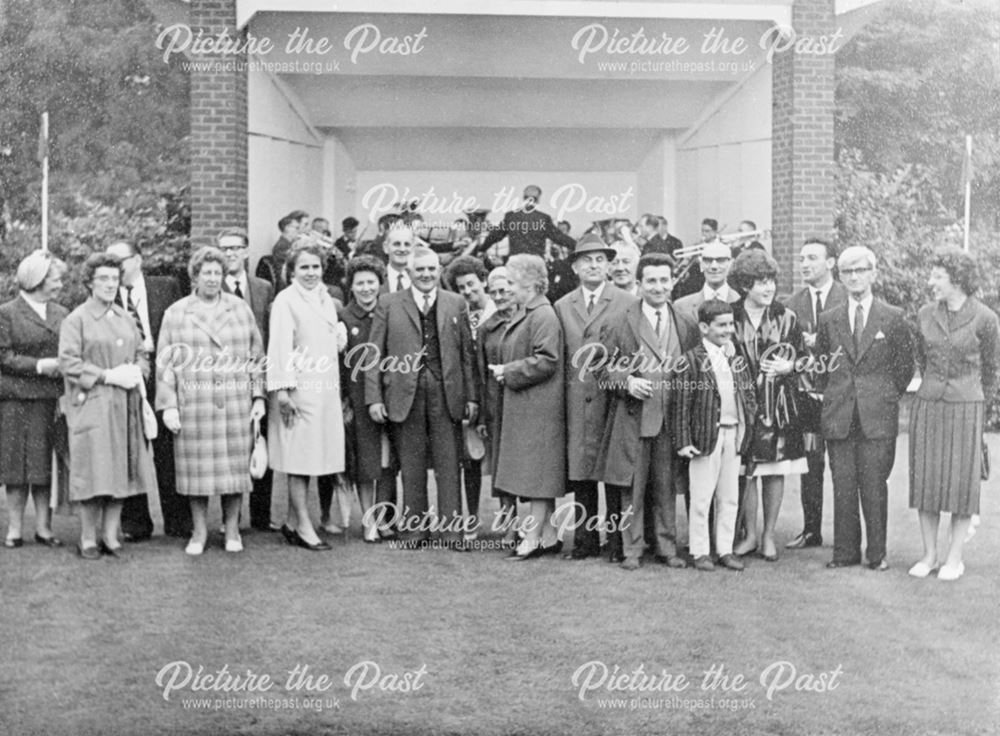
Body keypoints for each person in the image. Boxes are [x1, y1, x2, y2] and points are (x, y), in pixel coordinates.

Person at [366, 246, 478, 548]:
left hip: (446, 393)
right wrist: (374, 398)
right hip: (404, 394)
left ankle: (451, 532)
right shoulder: (388, 303)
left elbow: (467, 355)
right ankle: (414, 530)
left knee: (449, 465)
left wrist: (472, 396)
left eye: (431, 269)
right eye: (420, 270)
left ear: (439, 271)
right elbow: (374, 355)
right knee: (411, 466)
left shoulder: (456, 303)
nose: (426, 274)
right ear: (410, 273)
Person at [156, 247, 266, 555]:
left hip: (234, 402)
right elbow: (165, 362)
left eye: (218, 273)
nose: (213, 279)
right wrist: (169, 405)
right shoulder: (176, 312)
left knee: (234, 472)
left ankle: (232, 530)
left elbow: (256, 356)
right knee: (197, 474)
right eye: (207, 273)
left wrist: (259, 396)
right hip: (196, 404)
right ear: (195, 276)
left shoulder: (240, 309)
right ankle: (199, 532)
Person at [596, 252, 698, 570]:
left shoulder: (686, 323)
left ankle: (667, 548)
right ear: (639, 284)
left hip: (671, 420)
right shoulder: (618, 320)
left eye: (664, 280)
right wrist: (626, 382)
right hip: (633, 419)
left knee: (666, 487)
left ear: (673, 282)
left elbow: (694, 369)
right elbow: (600, 367)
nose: (658, 287)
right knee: (632, 487)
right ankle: (633, 549)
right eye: (651, 280)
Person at [816, 245, 915, 571]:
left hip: (877, 416)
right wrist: (835, 396)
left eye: (861, 270)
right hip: (839, 415)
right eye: (848, 272)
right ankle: (844, 553)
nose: (855, 277)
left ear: (874, 273)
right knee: (842, 485)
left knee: (874, 485)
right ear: (840, 277)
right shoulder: (829, 319)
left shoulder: (894, 316)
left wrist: (883, 396)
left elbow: (904, 367)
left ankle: (877, 554)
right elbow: (820, 365)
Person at [908, 248, 999, 581]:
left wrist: (978, 406)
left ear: (957, 280)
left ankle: (954, 558)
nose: (930, 282)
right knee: (927, 483)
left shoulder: (985, 318)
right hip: (929, 405)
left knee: (961, 486)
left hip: (966, 408)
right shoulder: (924, 314)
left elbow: (991, 369)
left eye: (937, 276)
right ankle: (930, 555)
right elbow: (922, 357)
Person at [59, 253, 157, 559]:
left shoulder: (125, 316)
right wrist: (106, 375)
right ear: (90, 282)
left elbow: (143, 352)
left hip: (125, 406)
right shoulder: (77, 319)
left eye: (114, 279)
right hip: (93, 404)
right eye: (103, 278)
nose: (110, 284)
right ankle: (88, 537)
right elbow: (68, 362)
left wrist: (138, 370)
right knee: (93, 473)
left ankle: (111, 535)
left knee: (122, 471)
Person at [553, 235, 634, 560]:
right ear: (575, 266)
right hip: (576, 402)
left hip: (613, 400)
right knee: (582, 474)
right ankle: (584, 541)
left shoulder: (626, 301)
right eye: (586, 260)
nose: (594, 265)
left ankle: (615, 544)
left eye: (600, 259)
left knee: (613, 474)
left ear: (609, 265)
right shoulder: (562, 305)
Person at [728, 249, 808, 562]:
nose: (769, 287)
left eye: (771, 280)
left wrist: (790, 368)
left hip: (779, 407)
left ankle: (768, 536)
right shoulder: (730, 314)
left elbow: (804, 358)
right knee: (746, 471)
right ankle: (748, 535)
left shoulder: (786, 317)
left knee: (774, 469)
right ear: (745, 285)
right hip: (741, 405)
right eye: (761, 282)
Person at [267, 243, 348, 551]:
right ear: (292, 270)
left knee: (313, 455)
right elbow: (279, 347)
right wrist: (284, 391)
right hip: (298, 390)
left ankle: (290, 521)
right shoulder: (285, 300)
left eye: (315, 266)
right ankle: (303, 526)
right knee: (299, 459)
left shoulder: (327, 298)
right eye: (304, 267)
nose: (311, 273)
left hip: (325, 389)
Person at [106, 241, 184, 541]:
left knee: (168, 449)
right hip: (128, 377)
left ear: (138, 259)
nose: (115, 268)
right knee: (132, 450)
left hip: (163, 374)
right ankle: (136, 523)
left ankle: (178, 521)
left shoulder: (166, 286)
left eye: (120, 261)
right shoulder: (106, 294)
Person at [491, 254, 565, 560]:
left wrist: (507, 371)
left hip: (539, 407)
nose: (508, 288)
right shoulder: (531, 312)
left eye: (512, 282)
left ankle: (532, 538)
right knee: (537, 476)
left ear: (529, 284)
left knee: (537, 478)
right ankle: (547, 535)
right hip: (530, 405)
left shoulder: (542, 315)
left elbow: (548, 359)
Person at [675, 299, 757, 571]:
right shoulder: (691, 360)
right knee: (700, 498)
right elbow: (682, 404)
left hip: (733, 435)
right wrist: (684, 441)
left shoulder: (735, 358)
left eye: (730, 324)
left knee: (729, 496)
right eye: (721, 325)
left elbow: (747, 395)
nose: (727, 330)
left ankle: (725, 549)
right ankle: (700, 551)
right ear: (703, 327)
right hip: (704, 438)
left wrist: (748, 428)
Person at [0, 250, 69, 548]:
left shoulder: (62, 313)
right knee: (16, 466)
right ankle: (15, 529)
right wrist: (41, 366)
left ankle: (44, 528)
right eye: (55, 278)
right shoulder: (6, 313)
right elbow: (4, 357)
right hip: (15, 399)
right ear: (38, 279)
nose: (60, 284)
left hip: (50, 399)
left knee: (44, 465)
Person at [782, 238, 847, 549]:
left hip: (842, 399)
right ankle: (811, 530)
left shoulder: (847, 298)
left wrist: (820, 340)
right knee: (811, 465)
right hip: (807, 400)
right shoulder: (792, 304)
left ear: (831, 263)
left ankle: (847, 536)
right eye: (802, 258)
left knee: (844, 466)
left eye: (813, 258)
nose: (805, 264)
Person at [217, 227, 278, 532]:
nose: (230, 254)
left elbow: (269, 331)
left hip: (259, 376)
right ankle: (231, 519)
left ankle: (262, 516)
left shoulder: (264, 287)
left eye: (235, 248)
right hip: (227, 380)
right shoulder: (212, 288)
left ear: (246, 252)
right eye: (224, 249)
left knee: (260, 439)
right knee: (230, 448)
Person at [339, 256, 399, 543]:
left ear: (380, 283)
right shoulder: (344, 317)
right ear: (351, 286)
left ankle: (384, 517)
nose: (366, 289)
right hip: (358, 398)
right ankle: (368, 521)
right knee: (366, 462)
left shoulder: (391, 310)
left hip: (391, 395)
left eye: (371, 282)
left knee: (388, 462)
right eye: (359, 283)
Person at [446, 256, 496, 535]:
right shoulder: (460, 315)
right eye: (461, 287)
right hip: (473, 397)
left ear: (483, 281)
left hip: (499, 395)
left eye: (471, 284)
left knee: (501, 463)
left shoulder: (500, 308)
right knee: (472, 460)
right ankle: (473, 519)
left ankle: (510, 521)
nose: (467, 291)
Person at [475, 267, 519, 544]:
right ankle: (512, 525)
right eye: (495, 292)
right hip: (497, 405)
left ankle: (542, 526)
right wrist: (482, 414)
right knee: (502, 466)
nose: (501, 296)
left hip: (526, 402)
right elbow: (480, 374)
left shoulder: (530, 319)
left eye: (505, 290)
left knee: (529, 464)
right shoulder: (486, 328)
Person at [477, 185, 576, 260]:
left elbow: (494, 236)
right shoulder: (543, 218)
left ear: (523, 198)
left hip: (515, 261)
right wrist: (578, 246)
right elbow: (559, 238)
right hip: (535, 262)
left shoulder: (511, 217)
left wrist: (481, 249)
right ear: (538, 199)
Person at [673, 240, 740, 329]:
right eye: (708, 260)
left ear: (730, 264)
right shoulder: (681, 306)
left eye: (720, 260)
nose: (714, 266)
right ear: (701, 264)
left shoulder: (742, 303)